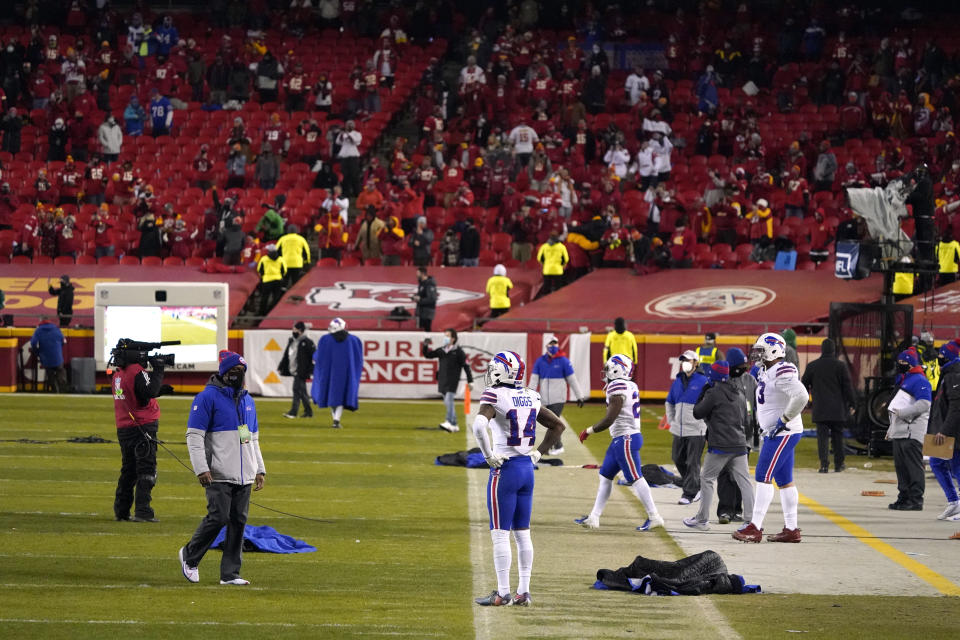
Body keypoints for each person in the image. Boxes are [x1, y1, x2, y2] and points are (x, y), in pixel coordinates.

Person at [472, 350, 565, 607]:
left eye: (495, 367)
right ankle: (524, 592)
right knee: (523, 533)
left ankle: (503, 593)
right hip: (526, 469)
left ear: (505, 371)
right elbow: (558, 426)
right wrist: (538, 454)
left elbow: (478, 426)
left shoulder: (495, 394)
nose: (491, 371)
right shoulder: (531, 396)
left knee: (500, 533)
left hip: (505, 469)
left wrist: (488, 455)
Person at [180, 351, 266, 586]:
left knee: (238, 521)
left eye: (242, 372)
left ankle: (230, 574)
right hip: (217, 472)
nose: (238, 376)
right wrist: (201, 468)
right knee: (218, 518)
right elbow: (194, 437)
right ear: (224, 373)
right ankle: (190, 556)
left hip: (244, 474)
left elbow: (252, 438)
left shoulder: (248, 401)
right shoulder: (206, 398)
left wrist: (259, 468)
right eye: (234, 371)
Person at [733, 333, 809, 543]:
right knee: (784, 481)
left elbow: (802, 396)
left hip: (782, 432)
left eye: (761, 350)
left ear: (774, 350)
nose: (756, 354)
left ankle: (755, 527)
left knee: (762, 475)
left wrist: (783, 419)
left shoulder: (782, 370)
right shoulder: (767, 370)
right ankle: (791, 529)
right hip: (778, 432)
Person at [575, 354, 664, 532]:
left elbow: (610, 418)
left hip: (626, 438)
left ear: (618, 369)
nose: (606, 372)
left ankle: (655, 517)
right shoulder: (631, 385)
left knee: (636, 478)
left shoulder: (617, 386)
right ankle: (594, 517)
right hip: (621, 439)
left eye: (609, 368)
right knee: (605, 476)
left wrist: (589, 430)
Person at [683, 361, 755, 530]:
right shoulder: (739, 393)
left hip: (720, 446)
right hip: (739, 444)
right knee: (745, 482)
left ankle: (702, 519)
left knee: (706, 479)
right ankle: (751, 521)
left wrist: (702, 393)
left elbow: (697, 413)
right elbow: (747, 419)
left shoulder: (713, 393)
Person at [109, 338, 173, 522]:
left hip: (124, 427)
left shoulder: (118, 374)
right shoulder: (137, 372)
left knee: (128, 469)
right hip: (142, 426)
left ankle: (121, 511)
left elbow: (139, 394)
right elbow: (148, 392)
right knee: (146, 468)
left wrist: (159, 390)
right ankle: (143, 511)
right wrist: (159, 369)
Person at [801, 338, 856, 473]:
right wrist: (853, 403)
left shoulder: (812, 366)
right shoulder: (840, 366)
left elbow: (803, 385)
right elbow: (847, 387)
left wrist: (806, 401)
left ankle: (824, 465)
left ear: (822, 349)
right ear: (834, 350)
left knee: (822, 438)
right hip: (838, 408)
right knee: (838, 437)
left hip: (820, 408)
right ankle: (839, 464)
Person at [886, 349, 931, 511]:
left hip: (912, 431)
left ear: (911, 363)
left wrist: (903, 413)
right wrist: (892, 428)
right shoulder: (905, 379)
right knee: (901, 468)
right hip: (900, 430)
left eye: (903, 363)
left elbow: (925, 404)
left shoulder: (919, 380)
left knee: (913, 467)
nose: (900, 365)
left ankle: (916, 500)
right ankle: (904, 497)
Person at [716, 347, 758, 523]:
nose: (743, 368)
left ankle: (737, 509)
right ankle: (725, 510)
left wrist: (756, 433)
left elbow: (757, 408)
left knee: (740, 475)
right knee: (725, 474)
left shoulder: (751, 381)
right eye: (739, 365)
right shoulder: (723, 381)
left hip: (744, 436)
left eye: (744, 364)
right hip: (724, 435)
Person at [529, 334, 585, 455]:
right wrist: (529, 395)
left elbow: (572, 379)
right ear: (546, 345)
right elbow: (534, 380)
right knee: (550, 423)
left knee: (553, 423)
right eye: (551, 343)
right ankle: (553, 446)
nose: (553, 346)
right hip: (544, 399)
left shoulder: (564, 361)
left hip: (558, 398)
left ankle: (558, 446)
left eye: (555, 343)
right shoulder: (540, 361)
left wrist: (579, 396)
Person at [666, 350, 708, 505]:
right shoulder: (677, 381)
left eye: (688, 360)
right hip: (679, 429)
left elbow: (709, 404)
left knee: (692, 461)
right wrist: (672, 421)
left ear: (696, 363)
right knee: (677, 458)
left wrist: (704, 423)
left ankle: (689, 493)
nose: (684, 362)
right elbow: (669, 402)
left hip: (697, 429)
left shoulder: (704, 381)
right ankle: (695, 486)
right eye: (683, 360)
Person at [311, 318, 364, 429]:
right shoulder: (354, 340)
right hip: (346, 374)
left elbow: (318, 356)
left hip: (329, 373)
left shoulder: (325, 340)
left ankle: (335, 419)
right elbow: (358, 359)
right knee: (340, 397)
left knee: (331, 396)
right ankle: (336, 420)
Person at [929, 342, 960, 520]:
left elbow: (956, 408)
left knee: (957, 467)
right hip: (944, 430)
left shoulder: (954, 376)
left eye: (940, 355)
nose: (938, 358)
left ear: (947, 356)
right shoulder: (948, 374)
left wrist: (944, 430)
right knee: (937, 463)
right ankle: (954, 502)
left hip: (952, 432)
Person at [422, 329, 473, 433]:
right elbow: (428, 355)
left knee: (449, 401)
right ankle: (454, 424)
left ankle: (449, 422)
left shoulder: (458, 352)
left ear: (453, 338)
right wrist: (425, 345)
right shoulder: (442, 350)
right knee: (447, 402)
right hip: (442, 379)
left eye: (447, 336)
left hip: (452, 379)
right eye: (445, 336)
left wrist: (470, 380)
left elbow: (466, 366)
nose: (445, 338)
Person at [279, 321, 316, 419]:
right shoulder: (292, 341)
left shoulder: (307, 342)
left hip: (301, 371)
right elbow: (286, 355)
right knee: (302, 392)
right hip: (294, 369)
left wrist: (311, 370)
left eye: (294, 329)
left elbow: (314, 357)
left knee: (297, 390)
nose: (293, 331)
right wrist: (281, 366)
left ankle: (293, 412)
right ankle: (308, 412)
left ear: (300, 330)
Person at [29, 317, 66, 392]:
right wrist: (58, 348)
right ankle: (62, 386)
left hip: (46, 357)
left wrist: (37, 352)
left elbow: (33, 343)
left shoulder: (38, 330)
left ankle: (55, 390)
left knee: (50, 374)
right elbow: (64, 341)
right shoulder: (56, 328)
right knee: (60, 370)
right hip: (57, 356)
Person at [255, 244, 287, 318]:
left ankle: (262, 313)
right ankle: (273, 312)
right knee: (276, 297)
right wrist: (280, 276)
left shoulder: (264, 259)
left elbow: (259, 269)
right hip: (278, 280)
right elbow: (284, 270)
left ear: (268, 251)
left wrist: (263, 276)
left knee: (264, 297)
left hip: (267, 280)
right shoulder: (281, 259)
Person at [536, 230, 569, 295]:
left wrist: (544, 264)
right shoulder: (562, 247)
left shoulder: (544, 246)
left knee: (546, 287)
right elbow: (566, 258)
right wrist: (563, 265)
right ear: (558, 237)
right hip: (557, 270)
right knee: (558, 287)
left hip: (547, 269)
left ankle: (545, 300)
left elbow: (539, 258)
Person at [413, 267, 437, 332]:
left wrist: (420, 300)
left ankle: (428, 341)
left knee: (426, 330)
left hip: (427, 312)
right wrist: (415, 297)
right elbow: (421, 295)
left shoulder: (430, 284)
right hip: (421, 311)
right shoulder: (421, 284)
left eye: (418, 273)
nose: (416, 275)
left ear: (423, 274)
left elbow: (432, 299)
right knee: (420, 330)